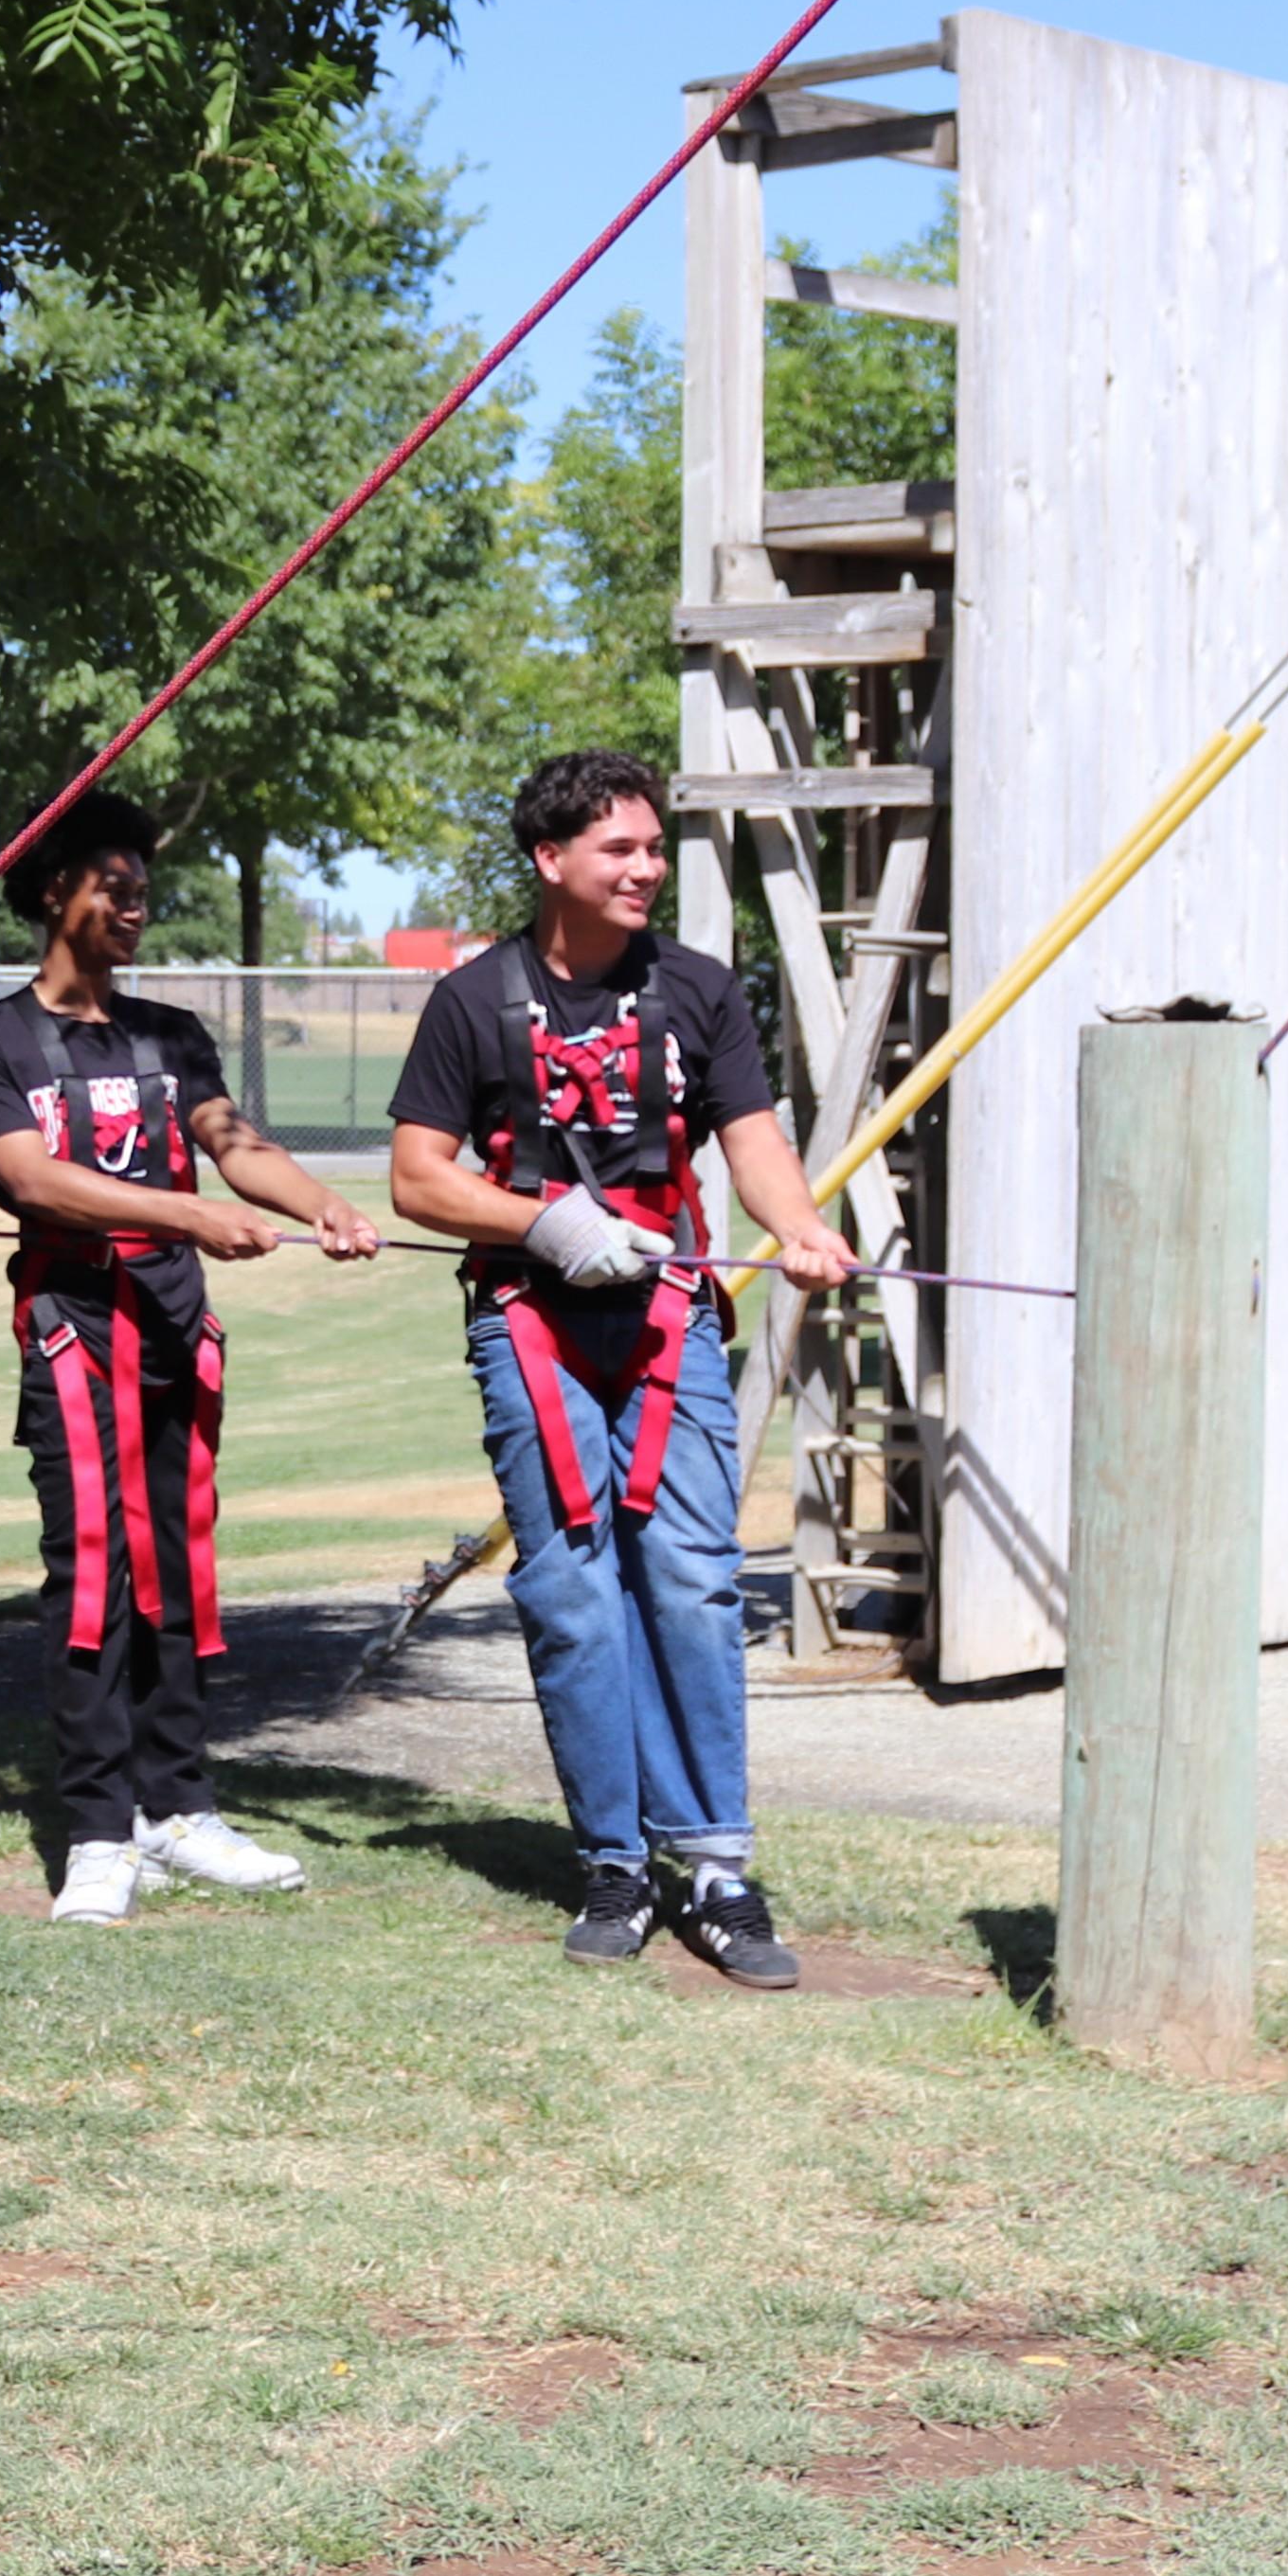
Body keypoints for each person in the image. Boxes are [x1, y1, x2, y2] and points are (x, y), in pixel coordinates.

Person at [384, 749, 856, 1990]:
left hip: (668, 1327)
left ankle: (712, 1863)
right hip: (529, 1328)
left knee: (694, 1580)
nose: (647, 868)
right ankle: (613, 1861)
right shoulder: (473, 1000)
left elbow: (751, 1138)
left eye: (654, 848)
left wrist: (796, 1227)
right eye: (621, 850)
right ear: (552, 861)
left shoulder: (698, 991)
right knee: (574, 1591)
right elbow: (417, 1175)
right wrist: (542, 1223)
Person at [0, 796, 378, 1926]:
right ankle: (97, 1830)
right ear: (54, 893)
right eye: (113, 887)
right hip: (75, 1334)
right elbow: (31, 1181)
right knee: (93, 1576)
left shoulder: (171, 1035)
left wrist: (324, 1202)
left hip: (174, 1331)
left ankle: (178, 1808)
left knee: (178, 1568)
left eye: (143, 891)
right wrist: (187, 1217)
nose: (134, 908)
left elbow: (237, 1149)